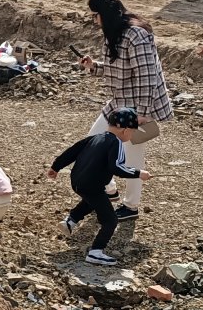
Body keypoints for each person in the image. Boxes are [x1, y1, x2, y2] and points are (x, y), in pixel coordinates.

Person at [78, 0, 174, 220]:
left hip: (138, 105)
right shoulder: (115, 32)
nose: (94, 20)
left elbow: (147, 77)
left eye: (95, 15)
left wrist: (140, 114)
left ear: (103, 13)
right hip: (120, 102)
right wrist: (94, 66)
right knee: (93, 143)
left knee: (133, 158)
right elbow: (118, 70)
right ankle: (108, 189)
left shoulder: (136, 34)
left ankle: (130, 206)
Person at [48, 107, 152, 267]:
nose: (132, 135)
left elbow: (72, 151)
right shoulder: (116, 143)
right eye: (132, 132)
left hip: (77, 181)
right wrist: (139, 173)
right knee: (110, 220)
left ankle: (71, 220)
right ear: (125, 130)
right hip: (92, 184)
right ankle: (96, 252)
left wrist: (55, 167)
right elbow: (117, 167)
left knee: (93, 199)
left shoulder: (95, 138)